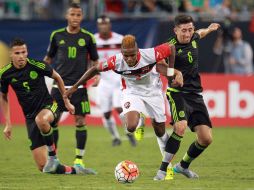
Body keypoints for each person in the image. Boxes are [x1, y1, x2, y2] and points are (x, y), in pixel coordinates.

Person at [64, 34, 184, 171]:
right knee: (131, 127)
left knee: (160, 131)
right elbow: (94, 69)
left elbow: (171, 47)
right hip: (131, 92)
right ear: (122, 53)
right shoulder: (115, 61)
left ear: (137, 50)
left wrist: (170, 72)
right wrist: (74, 87)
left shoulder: (150, 54)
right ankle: (166, 166)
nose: (129, 59)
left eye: (132, 55)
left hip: (153, 92)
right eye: (126, 56)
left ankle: (166, 163)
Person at [0, 38, 94, 175]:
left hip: (49, 107)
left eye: (23, 52)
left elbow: (57, 77)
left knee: (41, 120)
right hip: (30, 117)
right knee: (43, 167)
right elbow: (3, 96)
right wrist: (8, 123)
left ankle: (53, 158)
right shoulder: (5, 73)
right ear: (11, 54)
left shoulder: (37, 65)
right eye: (17, 53)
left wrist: (66, 101)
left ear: (27, 52)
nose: (21, 56)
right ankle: (74, 170)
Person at [153, 15, 220, 180]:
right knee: (180, 127)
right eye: (184, 30)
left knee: (206, 139)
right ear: (175, 30)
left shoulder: (194, 36)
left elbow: (200, 33)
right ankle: (162, 171)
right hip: (177, 94)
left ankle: (182, 166)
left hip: (195, 95)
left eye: (190, 29)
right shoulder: (169, 46)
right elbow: (158, 65)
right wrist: (175, 72)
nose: (188, 34)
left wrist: (210, 29)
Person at [43, 3, 99, 170]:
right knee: (53, 121)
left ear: (81, 17)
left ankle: (79, 161)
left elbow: (95, 61)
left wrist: (97, 75)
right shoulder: (56, 35)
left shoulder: (88, 37)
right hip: (58, 87)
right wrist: (40, 74)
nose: (75, 17)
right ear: (67, 16)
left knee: (80, 121)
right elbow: (48, 59)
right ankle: (54, 159)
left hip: (79, 87)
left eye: (78, 15)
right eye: (72, 14)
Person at [93, 15, 136, 146]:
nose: (103, 27)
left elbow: (129, 56)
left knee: (119, 108)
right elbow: (90, 59)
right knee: (106, 113)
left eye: (106, 24)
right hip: (103, 81)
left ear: (109, 25)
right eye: (101, 24)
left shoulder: (120, 39)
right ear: (98, 26)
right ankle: (115, 137)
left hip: (118, 79)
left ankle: (129, 131)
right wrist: (95, 74)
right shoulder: (93, 40)